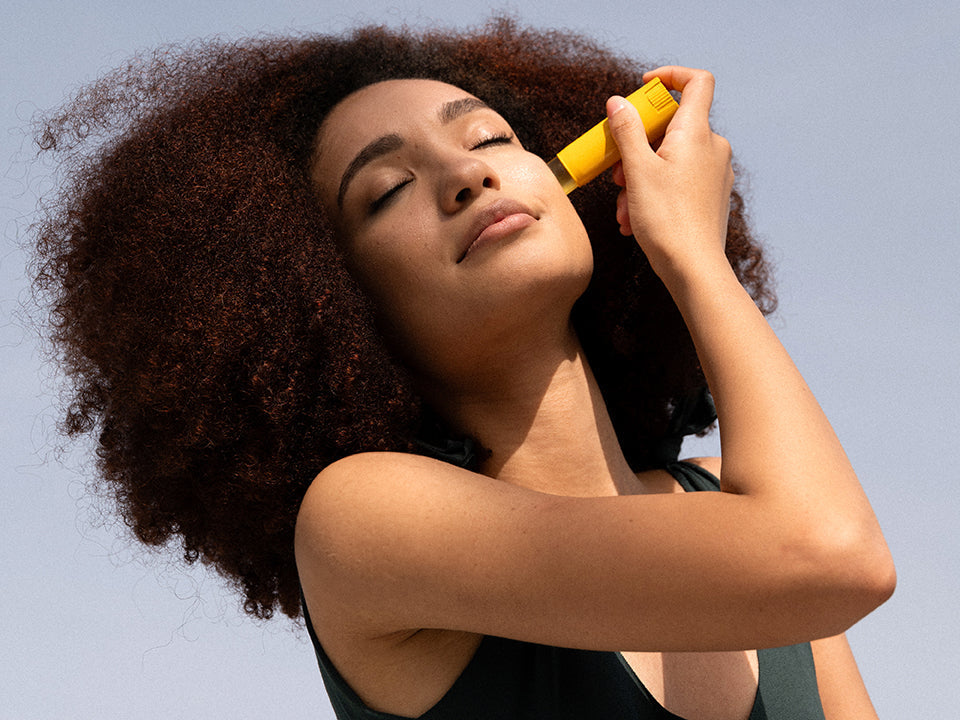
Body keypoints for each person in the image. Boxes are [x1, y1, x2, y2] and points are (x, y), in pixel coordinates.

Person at [31, 19, 895, 720]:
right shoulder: (362, 521)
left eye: (489, 135)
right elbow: (834, 559)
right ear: (328, 304)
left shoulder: (726, 498)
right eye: (386, 192)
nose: (465, 174)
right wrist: (694, 257)